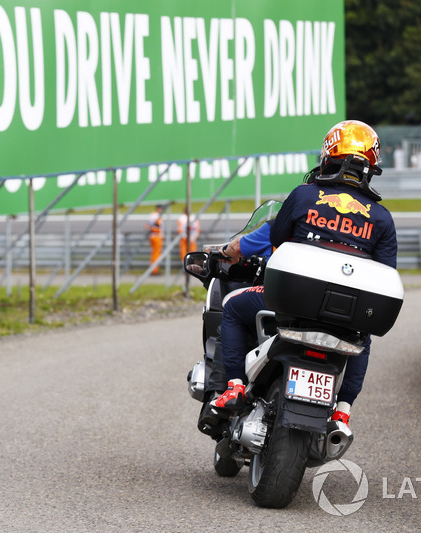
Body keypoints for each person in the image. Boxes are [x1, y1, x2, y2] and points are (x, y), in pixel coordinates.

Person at [210, 120, 398, 428]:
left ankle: (234, 387)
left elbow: (277, 239)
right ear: (372, 165)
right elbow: (386, 274)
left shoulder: (303, 195)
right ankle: (342, 411)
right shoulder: (382, 218)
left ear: (327, 156)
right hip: (345, 319)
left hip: (288, 306)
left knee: (231, 306)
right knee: (361, 338)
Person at [145, 205, 165, 275]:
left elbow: (147, 226)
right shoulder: (156, 216)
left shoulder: (153, 215)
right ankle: (154, 270)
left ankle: (154, 269)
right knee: (156, 253)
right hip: (156, 236)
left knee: (155, 253)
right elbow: (151, 227)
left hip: (154, 236)